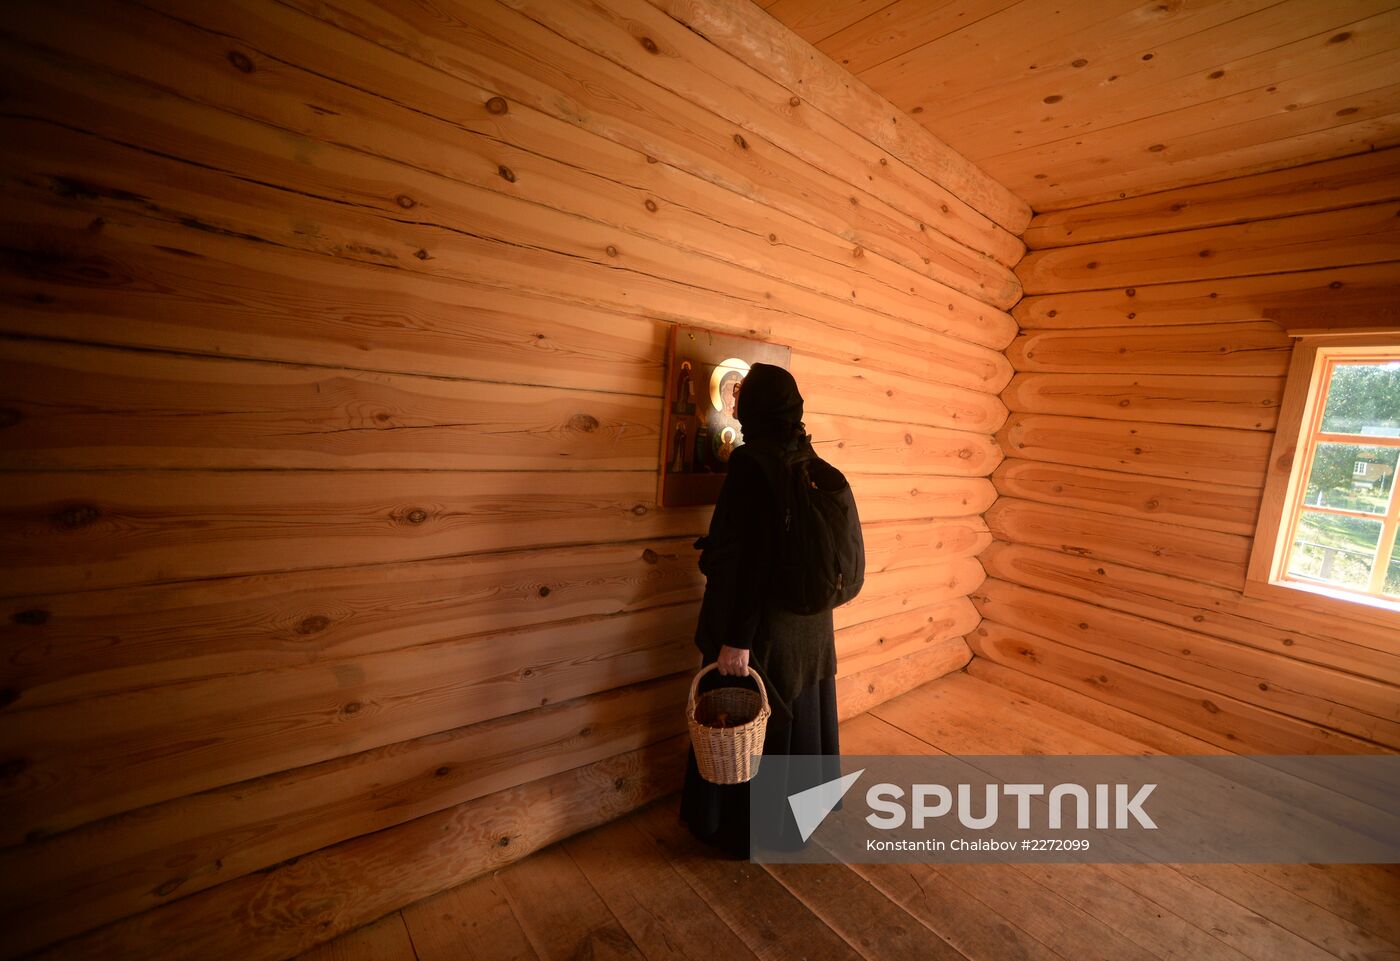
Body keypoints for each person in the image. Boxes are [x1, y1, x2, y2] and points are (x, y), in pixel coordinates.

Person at [678, 362, 842, 858]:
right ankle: (797, 821)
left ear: (755, 407)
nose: (736, 401)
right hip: (811, 625)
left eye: (743, 395)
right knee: (802, 714)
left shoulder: (753, 463)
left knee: (749, 719)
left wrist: (737, 637)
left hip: (764, 626)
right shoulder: (806, 457)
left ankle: (743, 832)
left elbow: (751, 559)